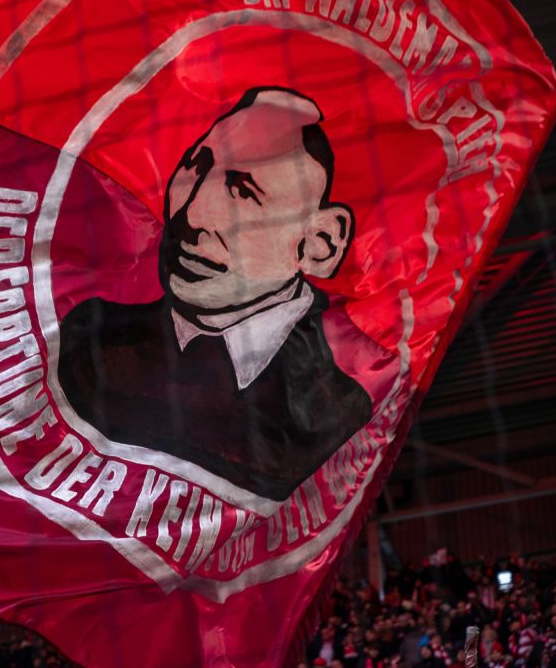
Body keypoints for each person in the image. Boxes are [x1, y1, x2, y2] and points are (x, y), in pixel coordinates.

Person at [58, 86, 378, 501]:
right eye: (194, 169)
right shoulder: (89, 341)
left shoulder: (340, 414)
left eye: (243, 190)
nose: (190, 218)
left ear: (321, 243)